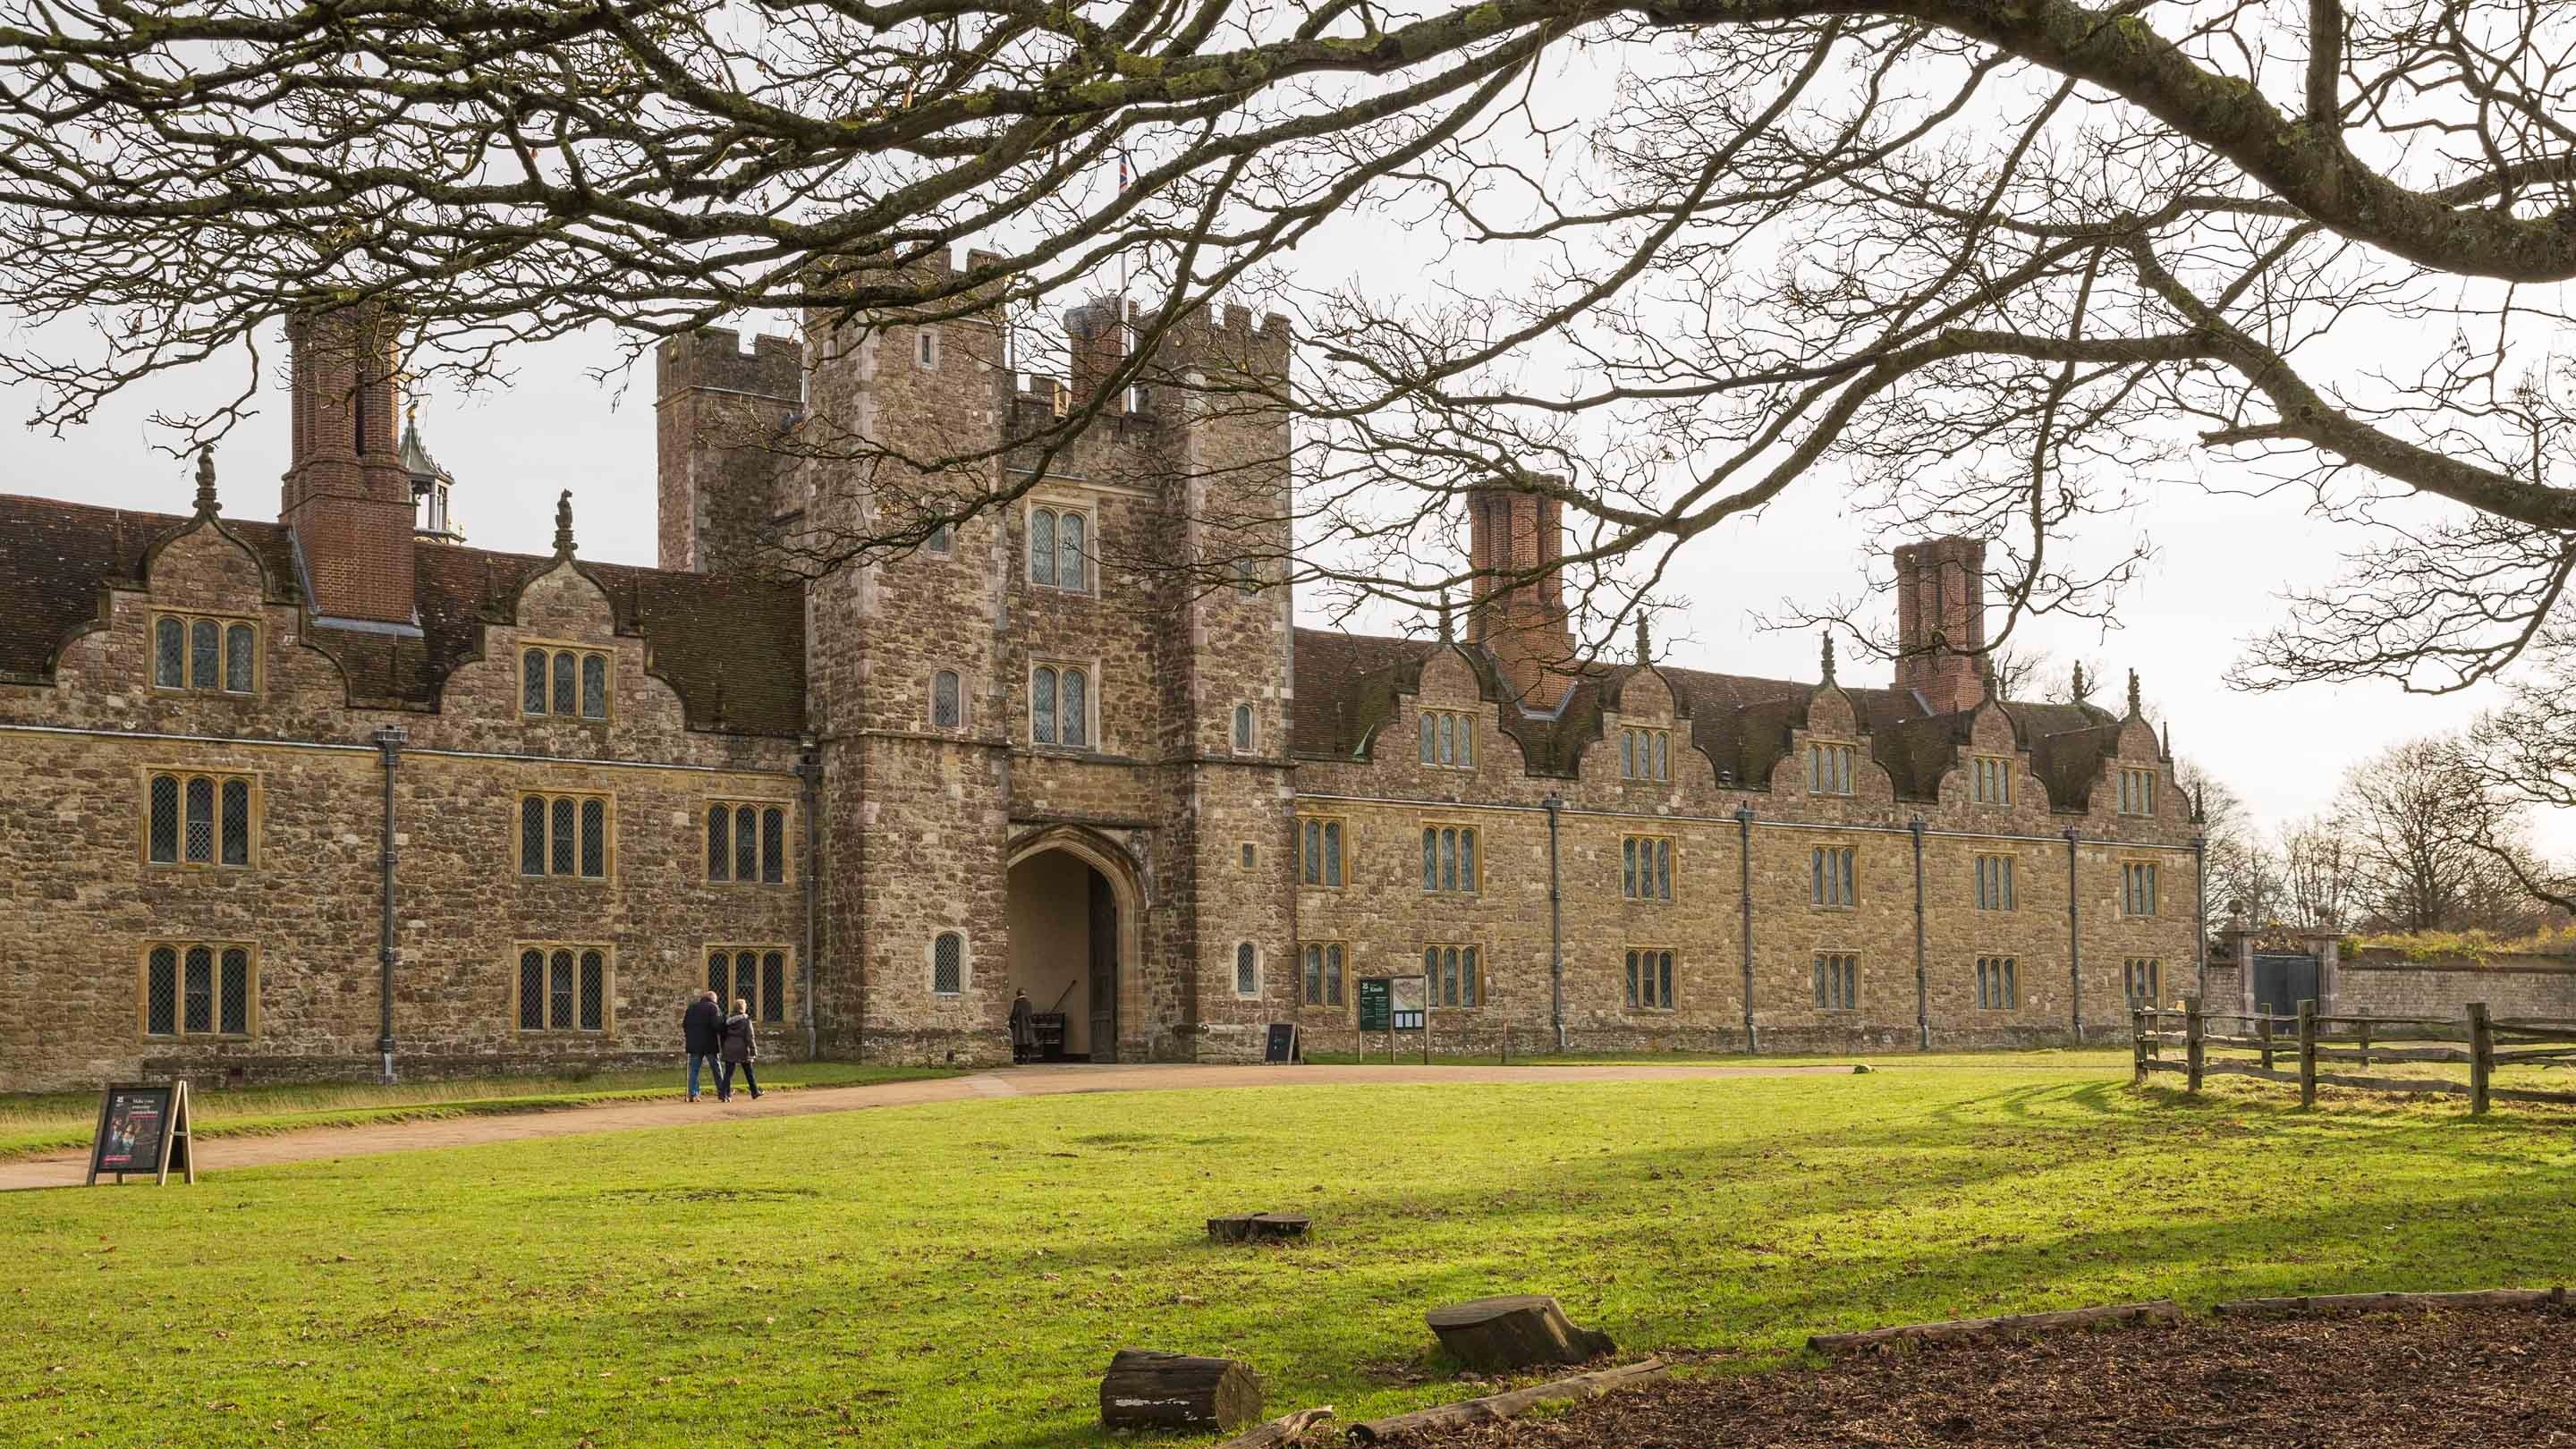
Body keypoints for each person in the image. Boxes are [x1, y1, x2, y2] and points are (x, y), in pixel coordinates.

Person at [682, 989, 724, 1102]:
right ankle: (722, 1092)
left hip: (694, 1044)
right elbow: (717, 1025)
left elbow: (685, 1024)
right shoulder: (713, 1008)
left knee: (694, 1070)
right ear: (713, 999)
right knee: (716, 1069)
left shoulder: (691, 1008)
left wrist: (689, 1037)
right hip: (709, 1043)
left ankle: (693, 1093)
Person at [718, 996, 762, 1101]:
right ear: (743, 1008)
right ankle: (755, 1092)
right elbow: (750, 1037)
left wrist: (724, 1047)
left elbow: (723, 1035)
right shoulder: (746, 1020)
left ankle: (723, 1094)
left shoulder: (727, 1020)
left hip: (729, 1047)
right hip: (742, 1049)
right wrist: (753, 1051)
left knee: (728, 1073)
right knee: (749, 1071)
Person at [1008, 988, 1036, 1064]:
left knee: (1019, 1041)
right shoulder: (1028, 1002)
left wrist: (1012, 1020)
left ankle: (1020, 1060)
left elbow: (1015, 1012)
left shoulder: (1017, 1002)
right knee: (1026, 1042)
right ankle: (1027, 1059)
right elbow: (1031, 1014)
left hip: (1020, 1024)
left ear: (1017, 994)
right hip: (1027, 1024)